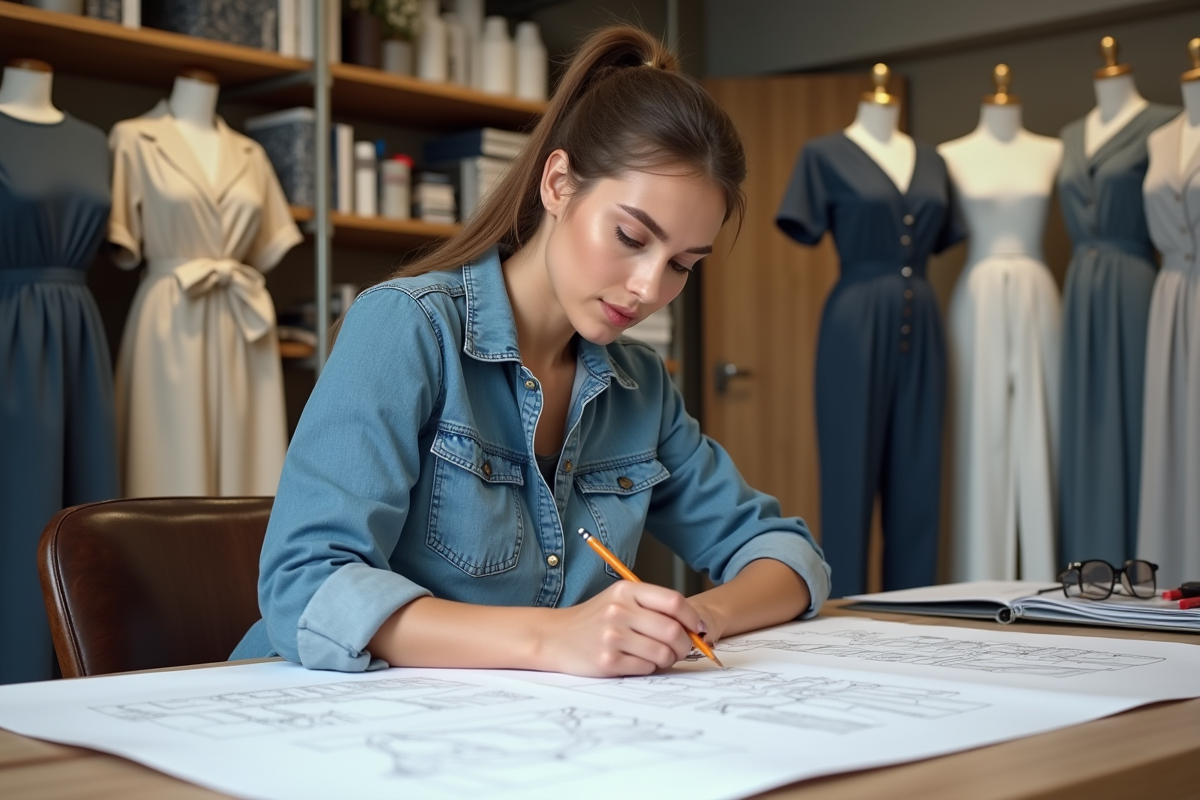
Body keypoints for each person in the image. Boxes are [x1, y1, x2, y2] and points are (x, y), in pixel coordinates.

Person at [231, 25, 831, 678]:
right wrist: (552, 639)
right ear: (558, 184)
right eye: (632, 236)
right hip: (322, 721)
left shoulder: (641, 387)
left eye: (683, 264)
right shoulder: (406, 328)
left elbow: (785, 554)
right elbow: (305, 586)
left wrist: (698, 620)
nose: (649, 288)